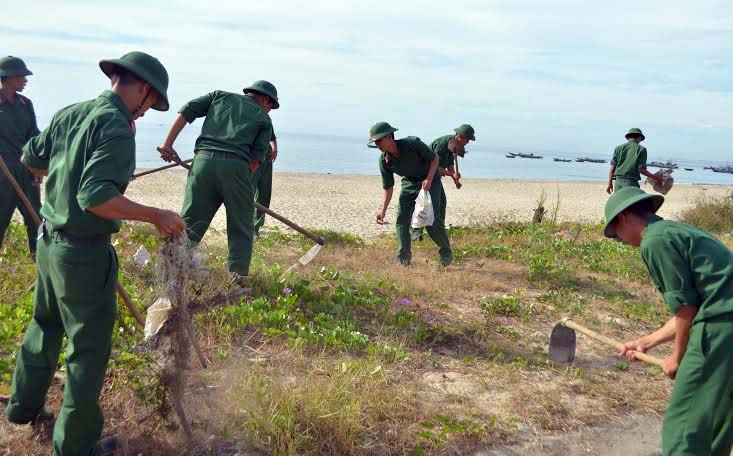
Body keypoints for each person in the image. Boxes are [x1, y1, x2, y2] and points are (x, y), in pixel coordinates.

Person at [5, 51, 185, 456]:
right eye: (150, 105)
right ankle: (76, 446)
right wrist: (156, 215)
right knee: (87, 351)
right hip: (83, 256)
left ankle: (22, 408)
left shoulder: (73, 111)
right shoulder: (117, 129)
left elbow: (30, 157)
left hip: (49, 242)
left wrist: (65, 171)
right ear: (142, 88)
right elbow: (96, 197)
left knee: (44, 326)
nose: (144, 114)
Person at [604, 187, 733, 455]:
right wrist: (645, 342)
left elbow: (686, 309)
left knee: (684, 420)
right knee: (716, 413)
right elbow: (694, 306)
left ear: (626, 216)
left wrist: (677, 358)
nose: (620, 239)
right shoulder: (675, 231)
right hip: (724, 319)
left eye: (616, 233)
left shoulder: (655, 240)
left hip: (722, 325)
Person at [158, 80, 277, 282]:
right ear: (265, 99)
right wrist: (239, 186)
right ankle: (237, 279)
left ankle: (170, 271)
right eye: (271, 106)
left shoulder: (218, 96)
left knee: (191, 222)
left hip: (202, 162)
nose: (269, 110)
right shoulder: (263, 118)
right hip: (236, 166)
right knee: (241, 226)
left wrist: (168, 144)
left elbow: (186, 112)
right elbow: (255, 162)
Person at [370, 121, 452, 266]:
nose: (377, 145)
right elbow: (388, 187)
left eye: (379, 141)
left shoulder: (411, 144)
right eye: (375, 142)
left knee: (431, 221)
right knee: (402, 220)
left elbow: (435, 159)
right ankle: (404, 259)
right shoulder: (384, 160)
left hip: (430, 179)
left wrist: (429, 178)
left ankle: (446, 252)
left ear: (389, 137)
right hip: (409, 182)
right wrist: (382, 210)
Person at [0, 56, 40, 255]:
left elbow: (34, 135)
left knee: (36, 219)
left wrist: (37, 165)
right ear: (7, 77)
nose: (25, 80)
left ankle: (38, 259)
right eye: (21, 76)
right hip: (2, 171)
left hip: (25, 169)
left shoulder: (25, 103)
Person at [411, 124, 475, 241]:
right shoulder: (442, 144)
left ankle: (439, 229)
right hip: (424, 175)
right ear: (459, 136)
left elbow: (450, 163)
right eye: (467, 139)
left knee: (441, 203)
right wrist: (451, 174)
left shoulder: (454, 144)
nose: (468, 142)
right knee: (423, 202)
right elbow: (435, 166)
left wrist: (454, 175)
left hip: (434, 177)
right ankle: (416, 232)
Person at [606, 128, 662, 194]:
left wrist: (610, 184)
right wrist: (655, 177)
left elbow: (612, 169)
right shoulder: (642, 149)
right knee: (635, 203)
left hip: (618, 183)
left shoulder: (618, 148)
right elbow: (641, 169)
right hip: (631, 182)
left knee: (621, 202)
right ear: (639, 137)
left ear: (628, 137)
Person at [253, 128, 278, 235]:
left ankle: (255, 228)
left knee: (264, 195)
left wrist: (274, 149)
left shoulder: (265, 118)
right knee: (248, 194)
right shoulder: (245, 115)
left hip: (266, 158)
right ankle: (246, 229)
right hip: (252, 158)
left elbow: (272, 137)